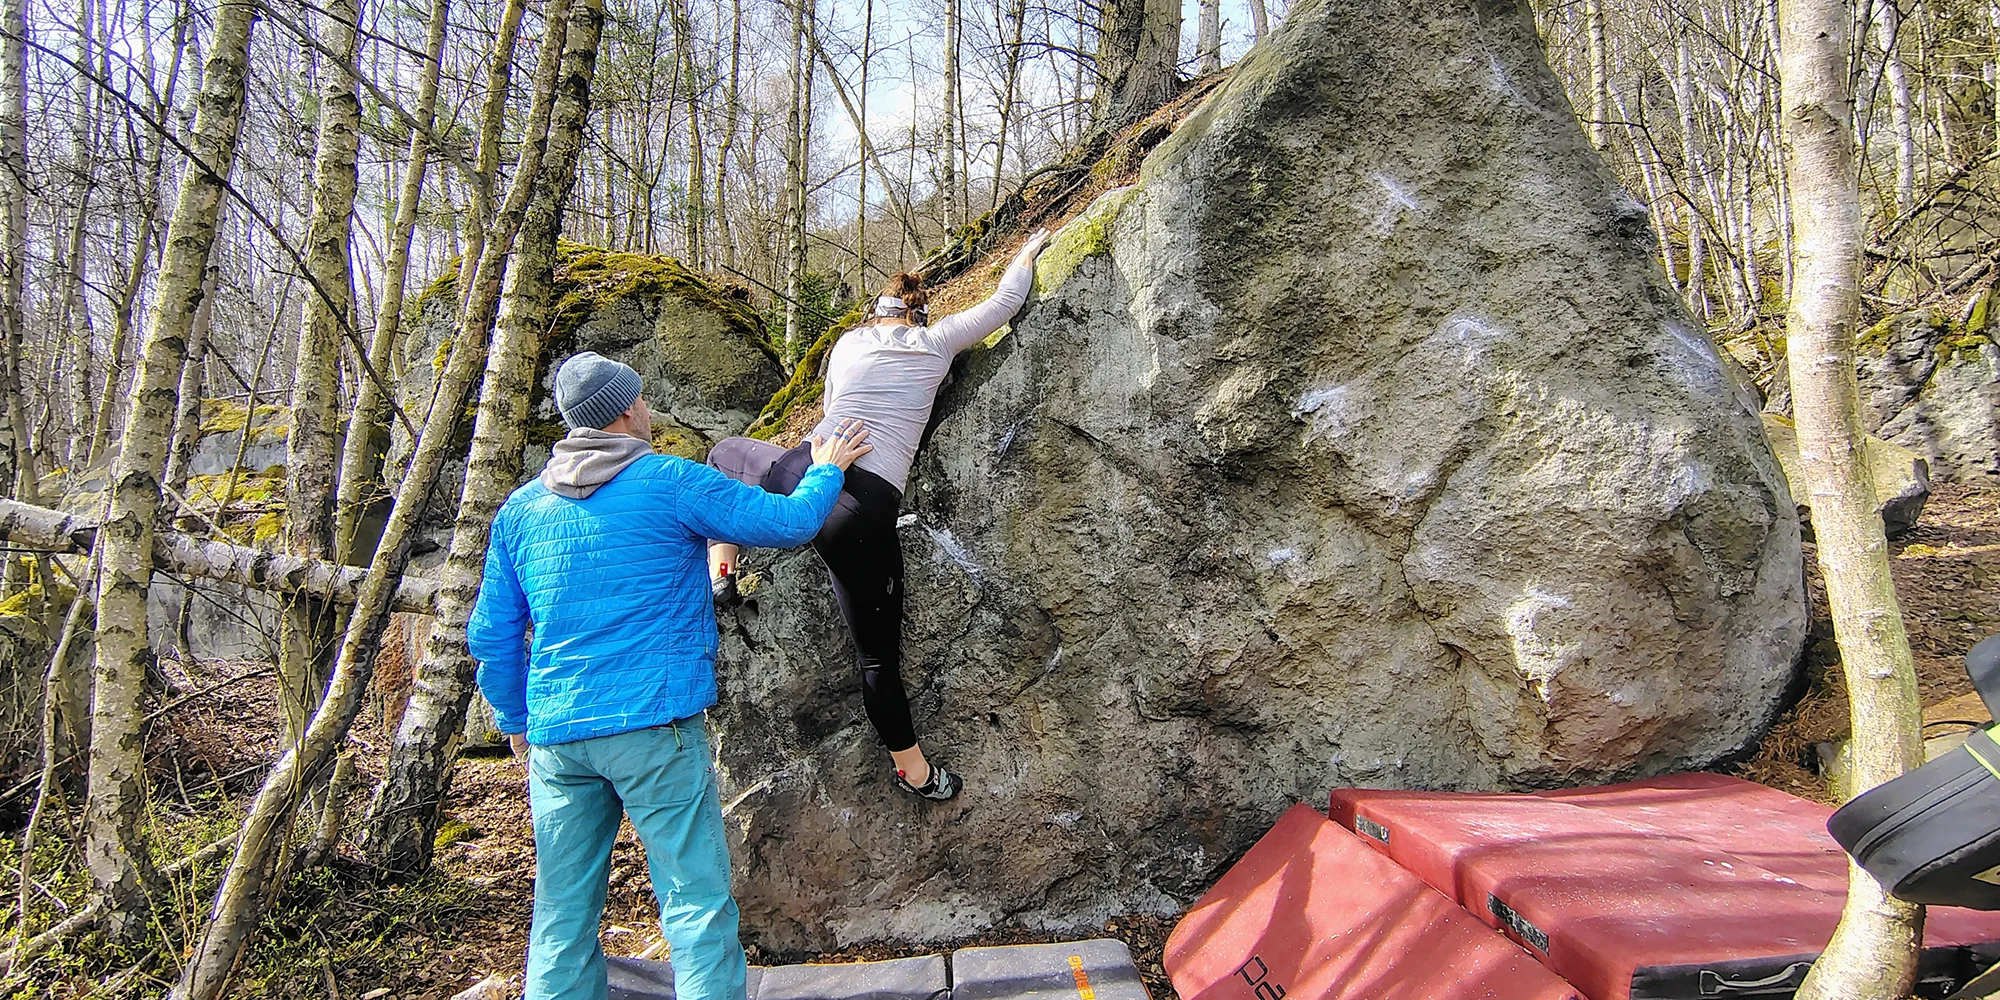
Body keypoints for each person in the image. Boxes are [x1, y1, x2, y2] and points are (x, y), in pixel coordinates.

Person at [468, 351, 874, 1000]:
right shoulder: (669, 481)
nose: (649, 409)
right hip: (653, 728)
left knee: (560, 918)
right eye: (642, 399)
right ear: (627, 410)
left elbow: (490, 635)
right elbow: (790, 522)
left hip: (557, 739)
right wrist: (826, 470)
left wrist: (514, 719)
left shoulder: (521, 511)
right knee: (694, 904)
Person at [704, 228, 1055, 802]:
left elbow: (830, 404)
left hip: (805, 470)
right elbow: (1005, 302)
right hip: (860, 512)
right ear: (916, 314)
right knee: (877, 661)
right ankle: (917, 773)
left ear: (875, 313)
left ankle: (721, 571)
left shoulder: (846, 345)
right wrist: (1028, 249)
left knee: (727, 453)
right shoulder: (936, 340)